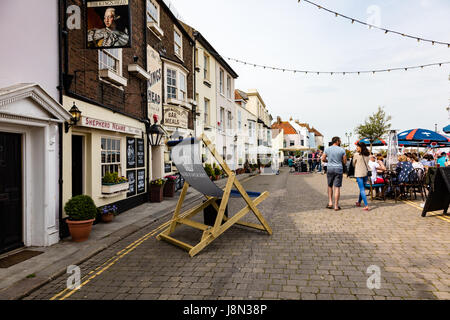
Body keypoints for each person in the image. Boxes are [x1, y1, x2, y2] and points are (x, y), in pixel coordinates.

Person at [322, 137, 346, 211]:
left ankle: (330, 203)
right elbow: (345, 162)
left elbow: (323, 159)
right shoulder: (342, 150)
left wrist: (328, 161)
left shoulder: (327, 149)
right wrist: (339, 161)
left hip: (330, 168)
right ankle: (336, 205)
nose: (340, 142)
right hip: (338, 168)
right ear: (337, 141)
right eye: (340, 141)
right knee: (337, 187)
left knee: (330, 186)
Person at [353, 142, 371, 211]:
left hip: (359, 173)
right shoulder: (367, 155)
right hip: (366, 173)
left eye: (357, 147)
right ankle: (359, 202)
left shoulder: (356, 155)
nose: (356, 148)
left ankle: (366, 205)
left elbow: (353, 164)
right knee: (362, 188)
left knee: (362, 189)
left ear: (361, 147)